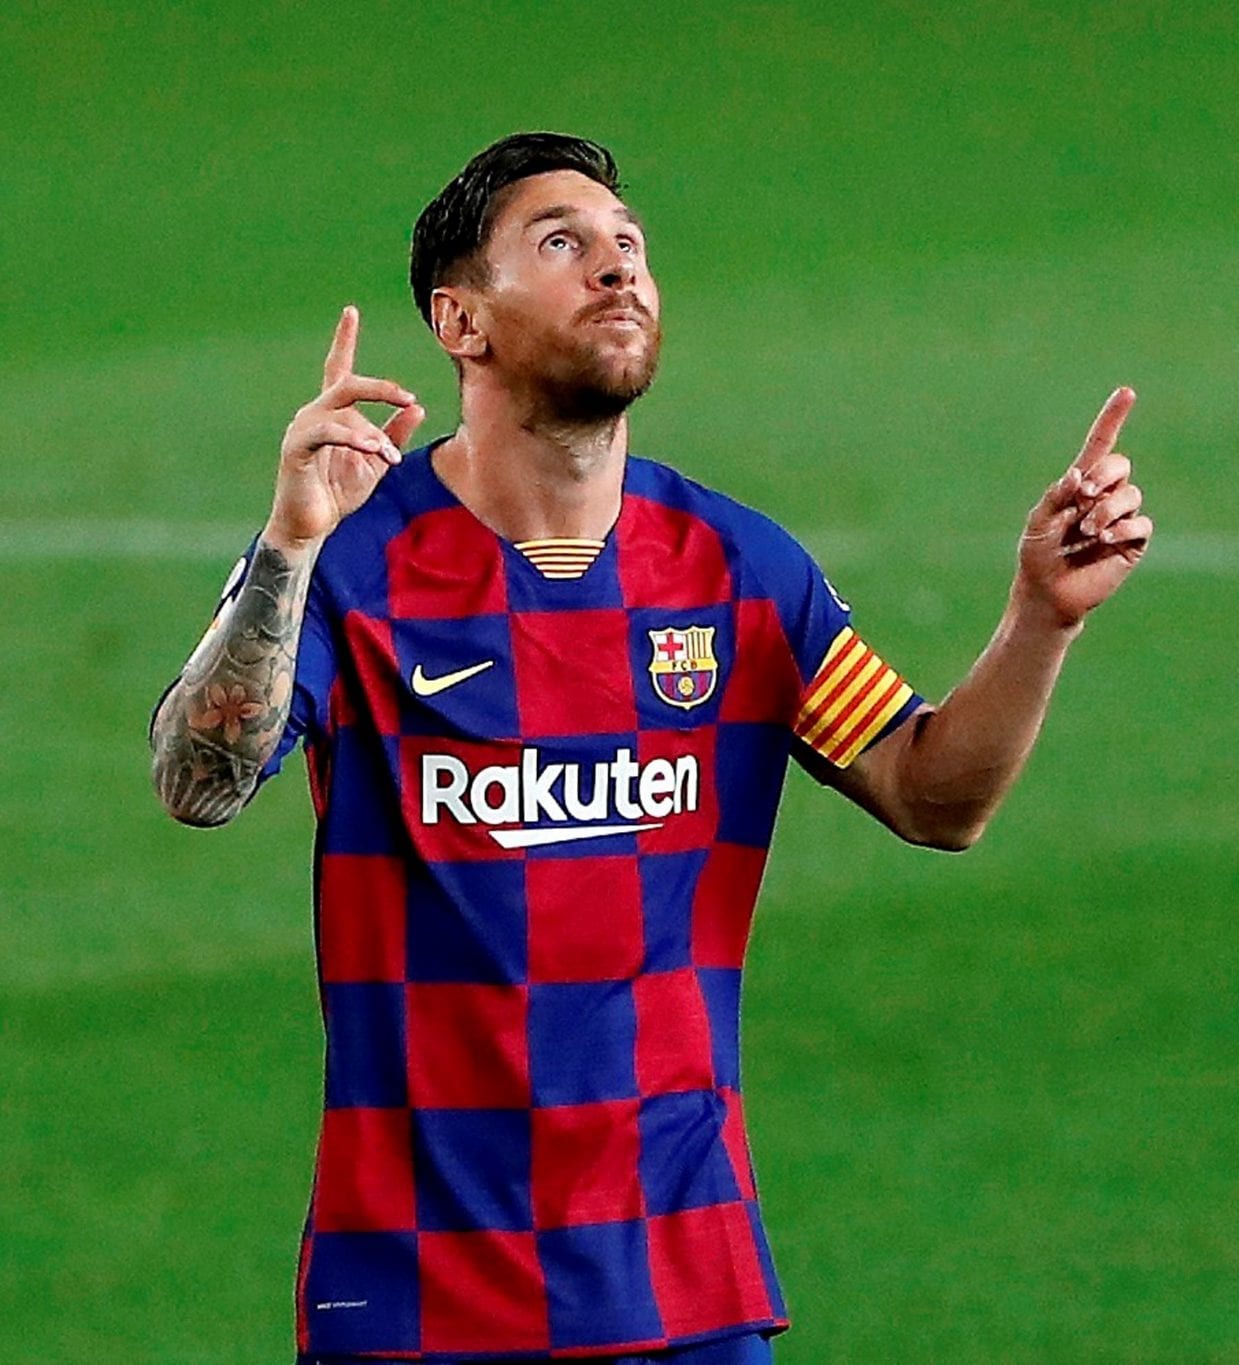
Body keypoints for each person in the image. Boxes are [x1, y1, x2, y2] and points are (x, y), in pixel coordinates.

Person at [146, 132, 1151, 1363]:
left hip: (683, 1282)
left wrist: (1040, 620)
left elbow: (931, 795)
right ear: (461, 321)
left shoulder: (738, 571)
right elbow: (196, 782)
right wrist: (290, 546)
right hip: (419, 1288)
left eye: (628, 244)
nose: (616, 267)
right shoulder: (353, 559)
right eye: (560, 244)